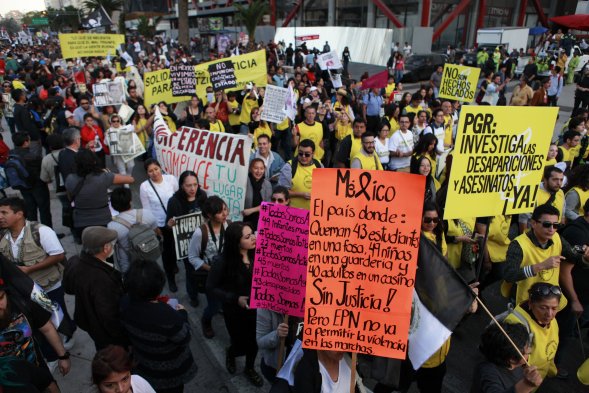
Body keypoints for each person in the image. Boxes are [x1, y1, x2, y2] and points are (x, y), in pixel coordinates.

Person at [120, 260, 197, 392]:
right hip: (170, 373)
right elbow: (184, 338)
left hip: (144, 367)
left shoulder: (125, 303)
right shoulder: (167, 315)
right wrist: (182, 313)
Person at [207, 222, 263, 387]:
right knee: (239, 342)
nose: (254, 238)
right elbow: (211, 287)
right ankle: (231, 353)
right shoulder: (222, 262)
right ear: (236, 242)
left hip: (257, 310)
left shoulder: (258, 253)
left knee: (254, 342)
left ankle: (250, 368)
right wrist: (234, 298)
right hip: (235, 312)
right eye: (247, 237)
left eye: (252, 233)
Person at [504, 203, 589, 308]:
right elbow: (509, 274)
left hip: (550, 301)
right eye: (547, 224)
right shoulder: (518, 244)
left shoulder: (557, 237)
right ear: (533, 223)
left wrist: (585, 258)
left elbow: (573, 257)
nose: (552, 229)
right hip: (527, 301)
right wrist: (541, 266)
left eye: (556, 225)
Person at [0, 276, 71, 393]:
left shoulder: (21, 302)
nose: (0, 305)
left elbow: (46, 328)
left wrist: (63, 356)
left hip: (40, 375)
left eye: (1, 297)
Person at [63, 226, 127, 350]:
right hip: (104, 332)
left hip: (87, 320)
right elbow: (109, 316)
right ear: (106, 248)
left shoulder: (74, 261)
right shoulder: (102, 279)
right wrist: (122, 338)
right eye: (112, 244)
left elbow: (68, 288)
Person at [65, 149, 134, 239]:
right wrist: (107, 173)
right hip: (103, 220)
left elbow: (70, 197)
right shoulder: (104, 177)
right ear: (94, 161)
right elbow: (130, 179)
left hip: (80, 222)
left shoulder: (70, 179)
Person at [187, 196, 230, 339]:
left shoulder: (228, 225)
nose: (225, 214)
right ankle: (206, 320)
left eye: (225, 209)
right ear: (210, 215)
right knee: (213, 305)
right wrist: (211, 269)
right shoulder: (201, 233)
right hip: (211, 277)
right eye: (220, 212)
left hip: (226, 275)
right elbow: (192, 258)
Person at [504, 283, 562, 380]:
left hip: (538, 379)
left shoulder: (553, 321)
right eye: (543, 308)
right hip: (519, 380)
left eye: (554, 308)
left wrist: (551, 369)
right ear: (530, 304)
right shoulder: (515, 323)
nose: (549, 314)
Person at [166, 170, 207, 301]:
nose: (192, 188)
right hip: (186, 245)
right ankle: (193, 296)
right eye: (188, 185)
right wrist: (170, 224)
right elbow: (168, 225)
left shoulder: (202, 196)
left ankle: (203, 288)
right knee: (191, 272)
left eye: (195, 184)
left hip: (203, 241)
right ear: (182, 186)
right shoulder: (174, 201)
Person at [139, 159, 179, 291]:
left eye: (156, 169)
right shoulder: (144, 187)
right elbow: (147, 210)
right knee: (167, 252)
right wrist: (155, 228)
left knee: (177, 248)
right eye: (150, 171)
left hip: (176, 222)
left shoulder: (171, 179)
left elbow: (179, 198)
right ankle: (170, 277)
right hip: (161, 225)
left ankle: (174, 264)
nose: (154, 173)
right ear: (147, 173)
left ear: (160, 168)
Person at [471, 322, 542, 393]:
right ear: (512, 359)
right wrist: (526, 385)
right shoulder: (487, 371)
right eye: (527, 350)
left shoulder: (519, 370)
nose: (530, 350)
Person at [108, 187, 157, 274]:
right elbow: (157, 232)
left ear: (113, 206)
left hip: (129, 266)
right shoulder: (147, 213)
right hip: (150, 257)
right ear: (130, 201)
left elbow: (108, 250)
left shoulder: (112, 226)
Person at [10, 132, 52, 227]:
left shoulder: (12, 154)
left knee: (31, 210)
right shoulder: (33, 157)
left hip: (23, 186)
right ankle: (47, 231)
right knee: (44, 210)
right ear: (25, 142)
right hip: (38, 186)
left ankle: (32, 232)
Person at [278, 139, 323, 210]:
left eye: (307, 154)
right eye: (300, 153)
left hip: (314, 213)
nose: (303, 157)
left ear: (313, 154)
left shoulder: (319, 165)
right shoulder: (289, 167)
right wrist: (301, 195)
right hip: (294, 213)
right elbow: (281, 191)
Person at [518, 165, 566, 231]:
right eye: (555, 179)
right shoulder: (532, 192)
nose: (559, 183)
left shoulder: (560, 192)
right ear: (545, 180)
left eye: (561, 180)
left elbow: (562, 214)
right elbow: (523, 219)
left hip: (553, 231)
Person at [91, 345, 156, 393]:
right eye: (110, 385)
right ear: (98, 384)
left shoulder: (138, 382)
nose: (121, 389)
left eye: (125, 379)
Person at [243, 158, 272, 230]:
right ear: (250, 169)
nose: (259, 171)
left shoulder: (267, 184)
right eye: (256, 168)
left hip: (260, 220)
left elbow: (268, 204)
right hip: (243, 219)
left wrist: (251, 210)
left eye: (261, 168)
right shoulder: (244, 181)